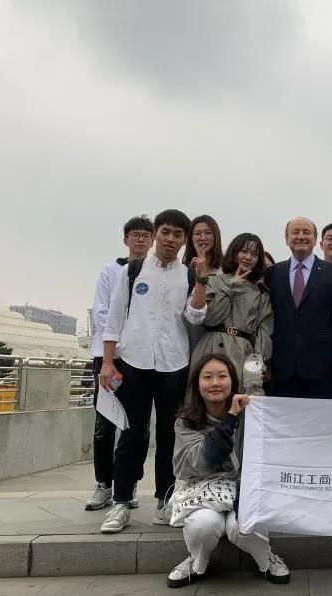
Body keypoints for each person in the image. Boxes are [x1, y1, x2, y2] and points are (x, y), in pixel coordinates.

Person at [99, 209, 207, 533]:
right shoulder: (132, 270)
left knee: (170, 435)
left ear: (184, 240)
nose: (171, 240)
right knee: (131, 433)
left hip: (174, 363)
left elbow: (195, 317)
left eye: (178, 235)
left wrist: (201, 281)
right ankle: (121, 502)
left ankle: (166, 500)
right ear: (155, 234)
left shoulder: (188, 275)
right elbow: (114, 318)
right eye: (166, 232)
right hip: (134, 361)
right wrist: (107, 362)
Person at [166, 353, 290, 589]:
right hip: (203, 491)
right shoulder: (185, 421)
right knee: (203, 525)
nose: (215, 383)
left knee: (241, 526)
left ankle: (266, 559)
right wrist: (230, 418)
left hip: (243, 488)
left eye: (222, 376)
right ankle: (197, 562)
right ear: (197, 384)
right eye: (207, 377)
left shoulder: (251, 414)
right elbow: (203, 460)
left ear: (233, 382)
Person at [84, 215, 152, 511]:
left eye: (146, 235)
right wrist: (117, 345)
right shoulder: (110, 271)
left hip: (140, 359)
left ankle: (130, 483)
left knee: (137, 426)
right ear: (125, 239)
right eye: (135, 234)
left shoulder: (155, 272)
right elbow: (102, 311)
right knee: (105, 423)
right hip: (108, 356)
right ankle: (103, 484)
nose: (141, 239)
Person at [264, 217, 332, 399]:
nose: (301, 236)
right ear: (286, 239)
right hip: (282, 366)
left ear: (315, 240)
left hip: (322, 367)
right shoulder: (274, 273)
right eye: (295, 232)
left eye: (306, 232)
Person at [187, 233, 273, 393]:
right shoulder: (214, 281)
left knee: (242, 399)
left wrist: (261, 362)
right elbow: (210, 318)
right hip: (212, 347)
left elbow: (263, 333)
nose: (248, 257)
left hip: (244, 352)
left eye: (254, 254)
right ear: (234, 252)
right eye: (243, 251)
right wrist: (231, 287)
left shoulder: (261, 293)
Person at [183, 215, 225, 354]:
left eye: (208, 233)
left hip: (217, 345)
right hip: (186, 341)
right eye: (197, 233)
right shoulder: (183, 271)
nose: (203, 237)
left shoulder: (226, 270)